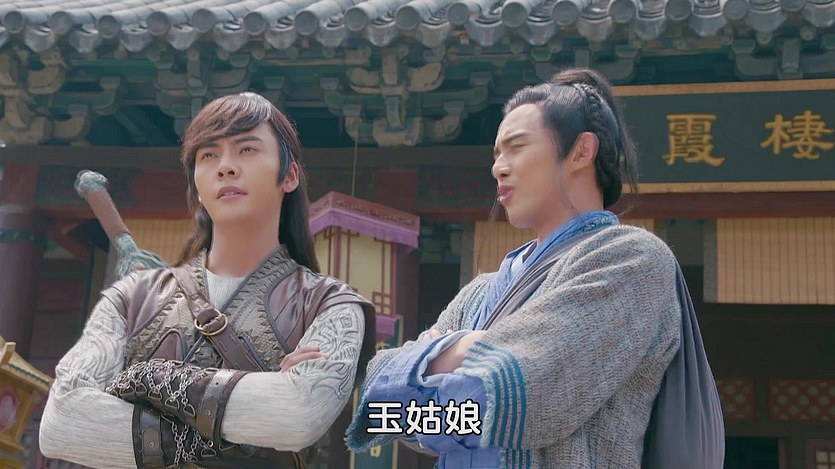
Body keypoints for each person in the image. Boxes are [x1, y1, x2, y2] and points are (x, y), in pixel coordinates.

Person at [347, 68, 702, 468]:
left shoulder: (631, 260)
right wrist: (464, 350)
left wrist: (426, 362)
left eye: (516, 147)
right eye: (497, 154)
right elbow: (380, 407)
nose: (498, 167)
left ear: (581, 151)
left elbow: (524, 394)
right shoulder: (480, 292)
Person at [39, 92, 376, 469]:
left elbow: (298, 414)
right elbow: (61, 424)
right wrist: (253, 414)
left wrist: (149, 378)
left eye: (247, 149)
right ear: (196, 186)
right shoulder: (130, 298)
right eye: (209, 155)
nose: (226, 167)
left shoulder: (331, 306)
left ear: (290, 176)